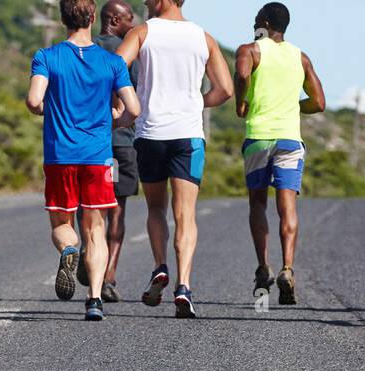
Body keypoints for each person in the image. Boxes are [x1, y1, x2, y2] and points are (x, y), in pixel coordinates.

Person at [117, 0, 233, 318]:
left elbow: (114, 69)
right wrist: (196, 104)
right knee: (186, 214)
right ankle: (184, 286)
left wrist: (126, 105)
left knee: (156, 208)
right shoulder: (203, 37)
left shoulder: (142, 33)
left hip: (150, 134)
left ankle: (159, 265)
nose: (144, 2)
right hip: (188, 136)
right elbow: (225, 89)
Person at [27, 0, 140, 321]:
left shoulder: (46, 57)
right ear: (93, 17)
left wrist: (51, 112)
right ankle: (94, 299)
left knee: (64, 224)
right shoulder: (112, 62)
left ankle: (68, 251)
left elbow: (35, 100)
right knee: (96, 227)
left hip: (61, 155)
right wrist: (113, 121)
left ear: (63, 19)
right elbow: (133, 110)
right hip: (98, 157)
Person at [233, 2, 325, 305]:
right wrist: (293, 106)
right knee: (288, 207)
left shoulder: (250, 50)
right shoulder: (301, 57)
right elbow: (319, 102)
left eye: (256, 21)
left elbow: (243, 76)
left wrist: (241, 103)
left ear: (264, 22)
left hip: (259, 137)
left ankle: (263, 267)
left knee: (258, 203)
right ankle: (287, 268)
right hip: (289, 139)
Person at [74, 0, 141, 303]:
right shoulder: (128, 53)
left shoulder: (83, 49)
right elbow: (134, 96)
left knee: (86, 203)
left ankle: (88, 249)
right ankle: (109, 275)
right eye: (130, 18)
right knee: (117, 208)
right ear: (115, 19)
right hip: (121, 142)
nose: (135, 22)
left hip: (86, 142)